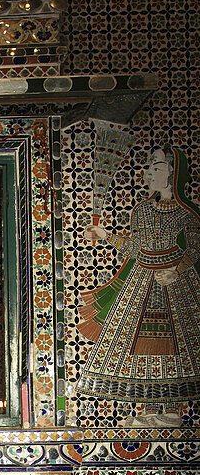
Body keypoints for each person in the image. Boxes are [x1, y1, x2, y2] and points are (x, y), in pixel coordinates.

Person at [79, 144, 200, 424]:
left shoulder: (187, 214)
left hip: (172, 281)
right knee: (138, 342)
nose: (149, 173)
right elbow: (135, 248)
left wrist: (177, 271)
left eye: (156, 167)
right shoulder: (142, 210)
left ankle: (171, 410)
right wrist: (106, 235)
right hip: (143, 278)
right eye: (149, 167)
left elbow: (195, 249)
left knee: (174, 344)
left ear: (173, 172)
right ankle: (146, 409)